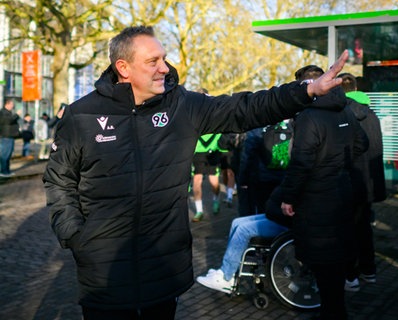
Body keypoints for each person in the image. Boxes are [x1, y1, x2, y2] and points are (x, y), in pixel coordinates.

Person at [42, 26, 350, 319]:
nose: (164, 67)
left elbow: (246, 108)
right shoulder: (81, 115)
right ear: (124, 67)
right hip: (103, 271)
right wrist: (76, 236)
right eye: (153, 61)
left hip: (163, 268)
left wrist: (306, 91)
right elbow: (59, 179)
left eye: (163, 58)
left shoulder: (181, 106)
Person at [280, 65, 368, 320]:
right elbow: (362, 143)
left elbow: (302, 162)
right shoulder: (346, 110)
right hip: (341, 193)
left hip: (316, 200)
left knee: (323, 263)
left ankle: (332, 313)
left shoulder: (309, 116)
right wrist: (338, 163)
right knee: (336, 263)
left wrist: (289, 197)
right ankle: (335, 310)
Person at [337, 73, 386, 292]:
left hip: (348, 182)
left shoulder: (342, 113)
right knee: (364, 228)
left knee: (347, 231)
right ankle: (369, 271)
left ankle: (350, 276)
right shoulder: (371, 113)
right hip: (367, 183)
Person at [195, 186, 291, 293]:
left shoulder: (299, 174)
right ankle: (228, 271)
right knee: (236, 222)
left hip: (284, 221)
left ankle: (226, 276)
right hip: (277, 214)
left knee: (243, 230)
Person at [191, 133, 223, 222]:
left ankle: (216, 200)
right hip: (198, 152)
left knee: (214, 183)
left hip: (212, 152)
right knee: (197, 181)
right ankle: (199, 210)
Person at [0, 99, 20, 177]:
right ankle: (4, 172)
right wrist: (17, 115)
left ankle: (7, 171)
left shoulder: (7, 112)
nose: (13, 106)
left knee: (8, 155)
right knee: (5, 155)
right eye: (12, 104)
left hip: (9, 136)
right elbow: (8, 121)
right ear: (7, 104)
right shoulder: (3, 113)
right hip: (6, 136)